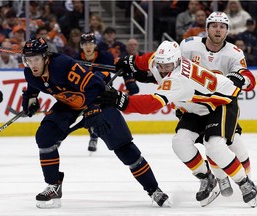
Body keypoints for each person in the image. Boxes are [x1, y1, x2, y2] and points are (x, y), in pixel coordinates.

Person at [97, 40, 257, 208]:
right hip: (196, 108)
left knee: (214, 146)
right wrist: (131, 62)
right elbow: (147, 60)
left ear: (177, 62)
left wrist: (122, 101)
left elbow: (152, 103)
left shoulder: (179, 78)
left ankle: (244, 183)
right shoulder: (161, 60)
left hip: (220, 104)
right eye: (160, 65)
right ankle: (207, 178)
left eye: (167, 66)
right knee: (179, 143)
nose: (162, 69)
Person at [21, 37, 170, 209]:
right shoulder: (30, 72)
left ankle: (154, 189)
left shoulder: (62, 65)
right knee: (45, 136)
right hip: (70, 104)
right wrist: (30, 100)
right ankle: (53, 185)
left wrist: (92, 109)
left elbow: (96, 85)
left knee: (123, 148)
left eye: (36, 59)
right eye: (29, 60)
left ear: (46, 57)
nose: (33, 64)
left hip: (99, 99)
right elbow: (33, 88)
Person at [179, 11, 257, 200]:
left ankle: (247, 181)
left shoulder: (234, 53)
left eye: (222, 27)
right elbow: (170, 66)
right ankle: (213, 177)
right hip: (196, 106)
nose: (218, 30)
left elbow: (248, 78)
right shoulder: (188, 46)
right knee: (184, 142)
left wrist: (241, 78)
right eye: (214, 25)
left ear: (227, 31)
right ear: (207, 28)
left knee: (227, 141)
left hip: (221, 106)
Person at [75, 32, 139, 153]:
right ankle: (60, 136)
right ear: (81, 46)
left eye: (91, 43)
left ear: (95, 45)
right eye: (85, 44)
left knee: (99, 115)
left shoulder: (106, 56)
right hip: (83, 93)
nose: (88, 46)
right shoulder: (75, 59)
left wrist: (130, 82)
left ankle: (94, 136)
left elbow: (122, 67)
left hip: (103, 91)